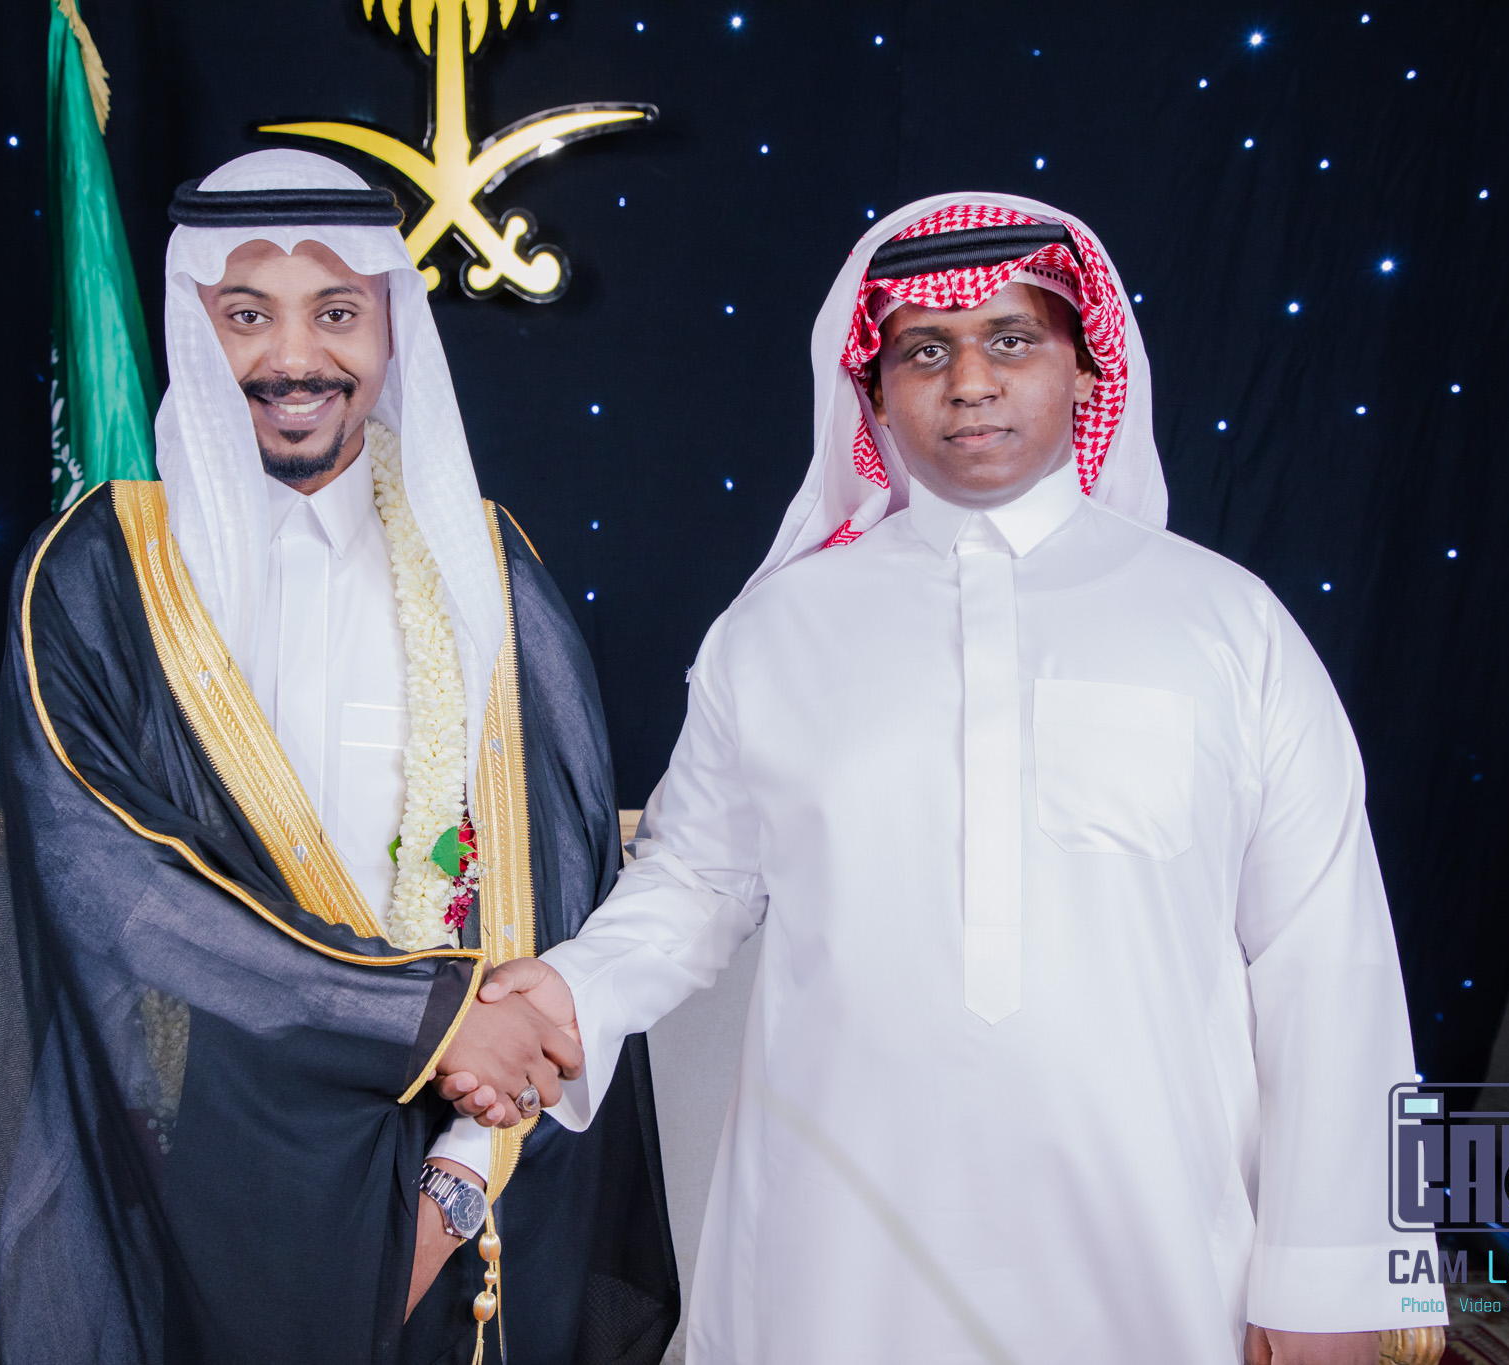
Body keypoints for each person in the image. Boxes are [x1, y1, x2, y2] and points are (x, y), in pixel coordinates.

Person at [450, 195, 1446, 1364]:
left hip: (1160, 1234)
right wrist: (565, 995)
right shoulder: (777, 631)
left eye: (1010, 340)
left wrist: (1332, 1279)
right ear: (872, 395)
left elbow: (1327, 962)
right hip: (839, 1235)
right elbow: (696, 884)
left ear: (1085, 368)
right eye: (923, 351)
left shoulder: (1226, 624)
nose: (969, 382)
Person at [0, 148, 676, 1365]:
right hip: (207, 1164)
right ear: (191, 325)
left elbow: (560, 896)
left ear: (392, 330)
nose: (294, 358)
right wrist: (421, 1019)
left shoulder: (485, 571)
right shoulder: (99, 573)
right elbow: (106, 887)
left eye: (338, 312)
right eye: (247, 314)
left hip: (463, 1154)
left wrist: (463, 1171)